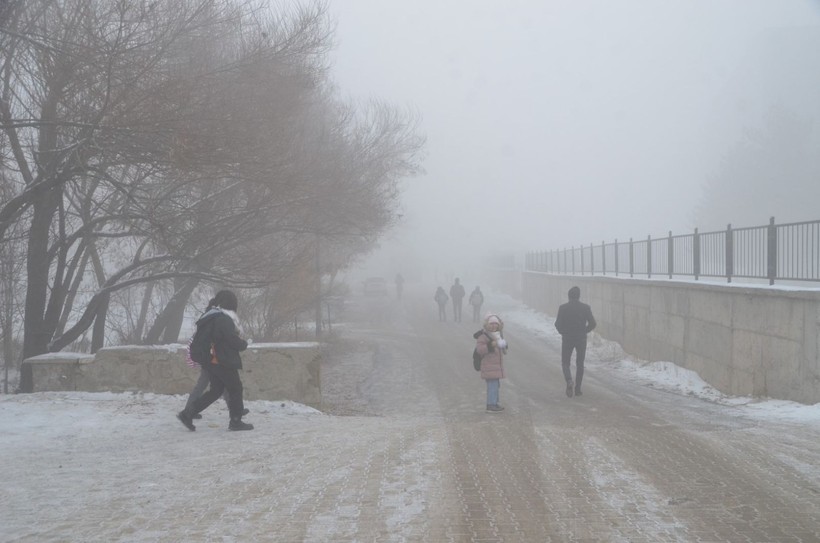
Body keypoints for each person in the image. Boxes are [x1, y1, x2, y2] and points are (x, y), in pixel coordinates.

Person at [177, 290, 254, 431]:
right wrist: (243, 344)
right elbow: (230, 339)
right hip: (223, 360)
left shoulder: (210, 316)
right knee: (236, 388)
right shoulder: (223, 319)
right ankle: (236, 421)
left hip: (211, 360)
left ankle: (188, 413)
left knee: (216, 390)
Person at [554, 286, 596, 398]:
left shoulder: (563, 308)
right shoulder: (585, 308)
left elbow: (557, 324)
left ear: (569, 296)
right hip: (581, 338)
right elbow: (593, 323)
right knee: (580, 364)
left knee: (565, 362)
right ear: (579, 296)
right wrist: (584, 331)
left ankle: (569, 380)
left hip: (567, 338)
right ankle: (578, 389)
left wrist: (563, 332)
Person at [474, 313, 508, 412]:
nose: (494, 326)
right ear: (487, 325)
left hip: (496, 366)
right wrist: (490, 346)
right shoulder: (483, 336)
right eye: (491, 324)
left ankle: (495, 403)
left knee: (496, 385)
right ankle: (491, 405)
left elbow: (502, 348)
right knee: (492, 385)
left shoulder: (498, 335)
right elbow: (479, 350)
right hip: (489, 366)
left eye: (496, 324)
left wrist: (504, 345)